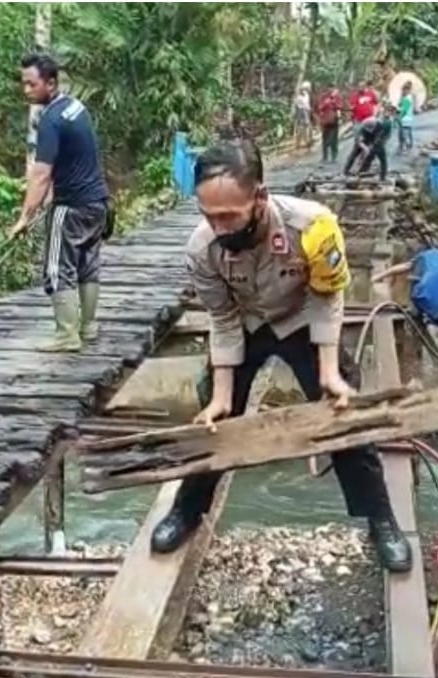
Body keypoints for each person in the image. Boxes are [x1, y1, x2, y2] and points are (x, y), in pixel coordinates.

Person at [149, 140, 413, 573]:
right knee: (215, 416)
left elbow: (328, 296)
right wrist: (220, 396)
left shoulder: (313, 225)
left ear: (260, 196)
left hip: (303, 317)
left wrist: (328, 370)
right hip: (249, 323)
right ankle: (186, 511)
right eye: (208, 215)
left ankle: (380, 519)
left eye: (229, 215)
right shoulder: (201, 248)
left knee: (341, 411)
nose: (218, 226)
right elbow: (222, 318)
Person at [10, 53, 109, 352]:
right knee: (87, 264)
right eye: (23, 84)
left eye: (31, 84)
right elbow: (75, 158)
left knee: (57, 267)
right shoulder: (75, 107)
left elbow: (40, 174)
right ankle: (88, 326)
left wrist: (24, 218)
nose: (26, 90)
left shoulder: (51, 120)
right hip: (98, 201)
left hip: (72, 205)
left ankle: (66, 335)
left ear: (50, 83)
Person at [343, 104, 396, 182]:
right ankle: (347, 171)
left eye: (390, 112)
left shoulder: (386, 122)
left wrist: (374, 145)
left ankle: (362, 173)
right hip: (366, 136)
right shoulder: (372, 121)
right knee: (355, 153)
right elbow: (360, 132)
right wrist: (363, 144)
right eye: (388, 111)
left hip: (374, 139)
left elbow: (384, 136)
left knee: (371, 156)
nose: (388, 113)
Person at [314, 86, 342, 163]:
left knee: (334, 139)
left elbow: (339, 107)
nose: (330, 90)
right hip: (325, 121)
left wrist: (333, 101)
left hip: (334, 121)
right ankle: (324, 157)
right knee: (325, 139)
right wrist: (326, 103)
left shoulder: (336, 97)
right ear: (327, 89)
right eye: (329, 89)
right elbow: (319, 107)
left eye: (332, 89)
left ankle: (334, 157)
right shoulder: (323, 97)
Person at [293, 81, 313, 149]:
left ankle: (305, 141)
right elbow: (300, 106)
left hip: (304, 112)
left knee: (305, 128)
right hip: (302, 112)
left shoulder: (306, 95)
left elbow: (306, 105)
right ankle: (300, 143)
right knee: (303, 128)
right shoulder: (301, 96)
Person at [397, 81, 414, 153]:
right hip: (406, 120)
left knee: (404, 135)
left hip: (405, 120)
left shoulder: (408, 99)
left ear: (407, 90)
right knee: (407, 133)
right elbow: (400, 104)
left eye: (404, 90)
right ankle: (407, 146)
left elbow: (404, 110)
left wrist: (398, 117)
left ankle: (405, 147)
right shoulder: (405, 98)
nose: (403, 91)